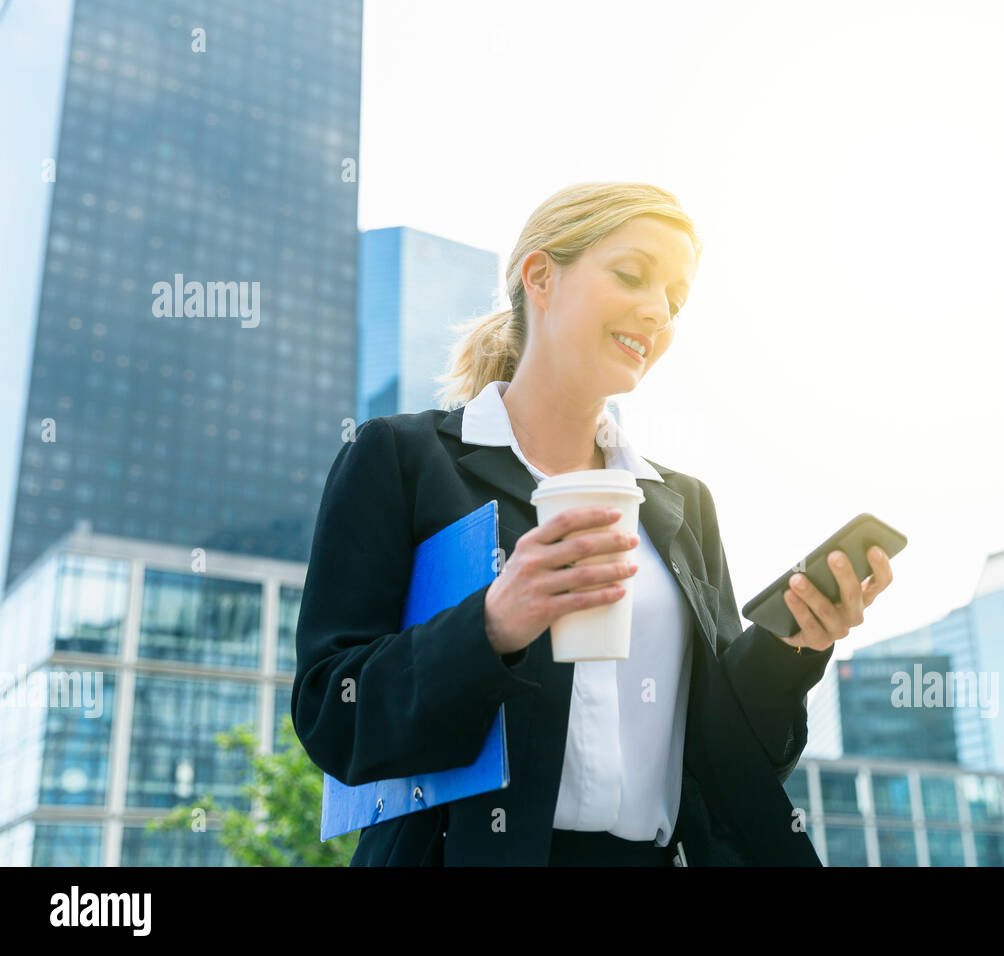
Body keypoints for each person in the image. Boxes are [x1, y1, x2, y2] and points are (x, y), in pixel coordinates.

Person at [291, 181, 894, 866]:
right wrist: (491, 626)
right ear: (541, 276)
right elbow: (330, 712)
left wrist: (791, 651)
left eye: (675, 298)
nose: (657, 311)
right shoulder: (402, 459)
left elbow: (727, 759)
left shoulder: (680, 503)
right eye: (632, 275)